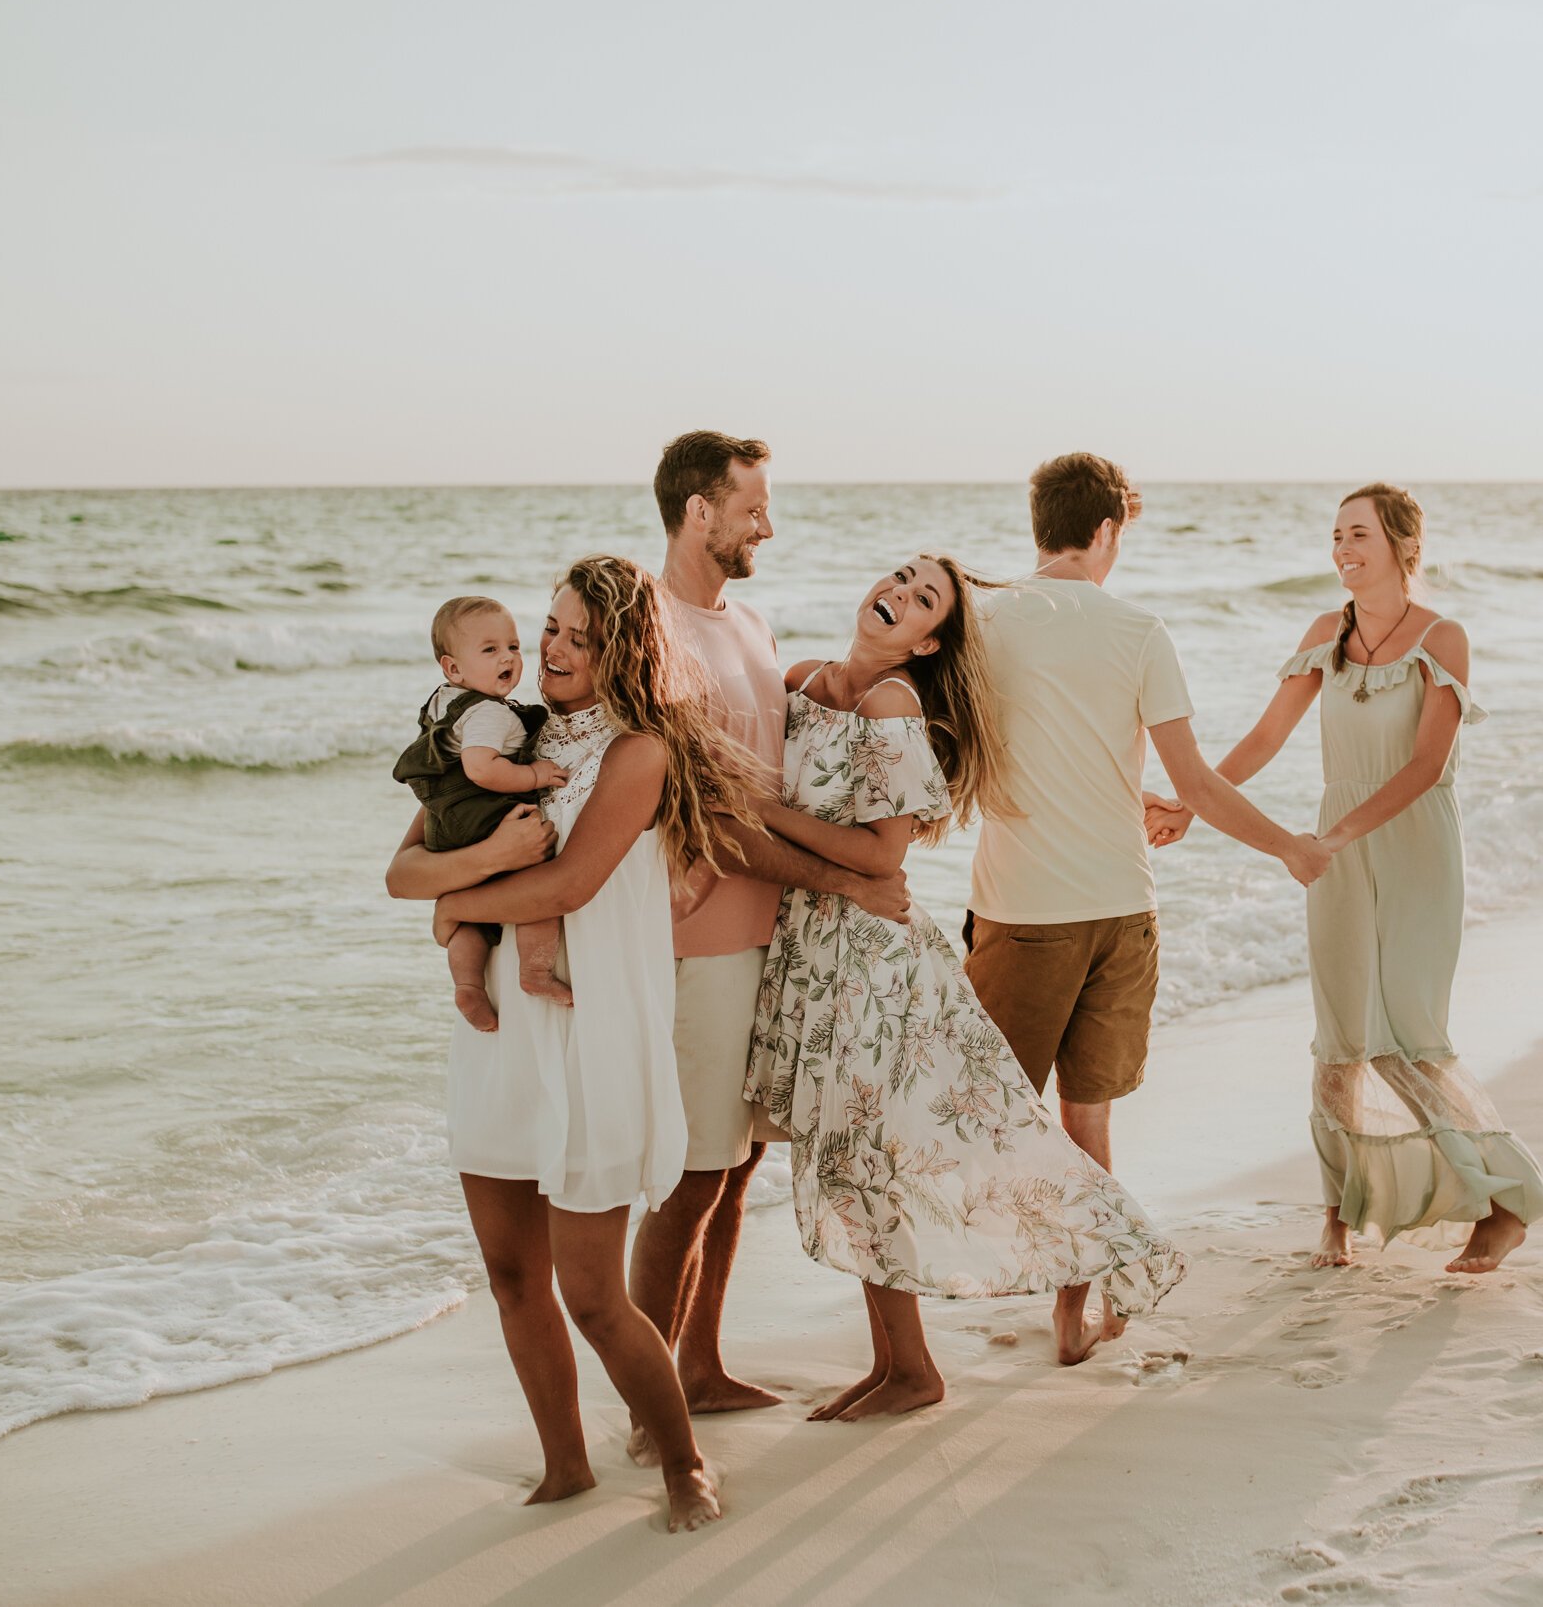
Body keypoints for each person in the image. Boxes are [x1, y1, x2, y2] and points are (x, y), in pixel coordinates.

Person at [745, 555, 1187, 1408]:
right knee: (848, 1159)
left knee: (873, 1159)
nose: (899, 595)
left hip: (871, 966)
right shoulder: (802, 680)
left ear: (929, 639)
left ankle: (915, 1368)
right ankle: (893, 1365)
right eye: (901, 578)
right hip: (812, 952)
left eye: (923, 600)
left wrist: (761, 812)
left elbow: (884, 853)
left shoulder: (894, 706)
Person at [386, 555, 760, 1531]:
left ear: (621, 650)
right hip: (500, 1031)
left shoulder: (640, 752)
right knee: (513, 1276)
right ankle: (564, 1465)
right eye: (546, 627)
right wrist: (480, 861)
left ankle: (684, 1463)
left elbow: (565, 888)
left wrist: (460, 892)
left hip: (590, 1033)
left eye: (573, 636)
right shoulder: (498, 729)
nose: (548, 648)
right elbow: (399, 871)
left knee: (594, 1294)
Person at [966, 451, 1322, 1359]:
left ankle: (1029, 1284)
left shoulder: (984, 619)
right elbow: (1193, 780)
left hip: (1022, 908)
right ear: (1108, 531)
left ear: (1040, 522)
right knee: (1089, 1119)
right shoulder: (1137, 628)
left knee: (999, 1121)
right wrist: (1288, 845)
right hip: (1122, 908)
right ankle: (1072, 1308)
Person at [624, 431, 914, 1457]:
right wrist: (848, 876)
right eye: (751, 505)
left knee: (735, 1164)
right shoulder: (648, 628)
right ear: (698, 510)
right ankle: (648, 1403)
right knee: (687, 1176)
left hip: (771, 938)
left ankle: (696, 1364)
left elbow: (783, 776)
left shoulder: (744, 623)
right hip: (693, 937)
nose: (767, 523)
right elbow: (700, 812)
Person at [1212, 483, 1543, 1271]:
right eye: (1336, 534)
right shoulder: (1322, 634)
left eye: (1359, 533)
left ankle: (1504, 1205)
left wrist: (1336, 833)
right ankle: (1337, 1214)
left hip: (1412, 846)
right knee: (1339, 1039)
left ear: (1404, 544)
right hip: (1334, 849)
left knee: (1410, 1038)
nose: (1342, 548)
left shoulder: (1444, 637)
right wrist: (1191, 800)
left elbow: (1425, 766)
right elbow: (1267, 736)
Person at [390, 594, 566, 1030]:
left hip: (445, 825)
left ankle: (468, 985)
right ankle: (535, 971)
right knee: (536, 890)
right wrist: (534, 776)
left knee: (473, 922)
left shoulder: (444, 702)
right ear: (453, 668)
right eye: (490, 650)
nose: (508, 657)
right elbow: (481, 768)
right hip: (484, 819)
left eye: (512, 646)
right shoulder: (488, 712)